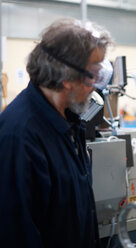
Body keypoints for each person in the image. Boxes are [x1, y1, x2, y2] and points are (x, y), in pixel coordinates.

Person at [0, 18, 113, 247]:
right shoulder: (19, 136)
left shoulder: (69, 120)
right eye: (93, 74)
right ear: (66, 77)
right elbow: (17, 234)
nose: (96, 86)